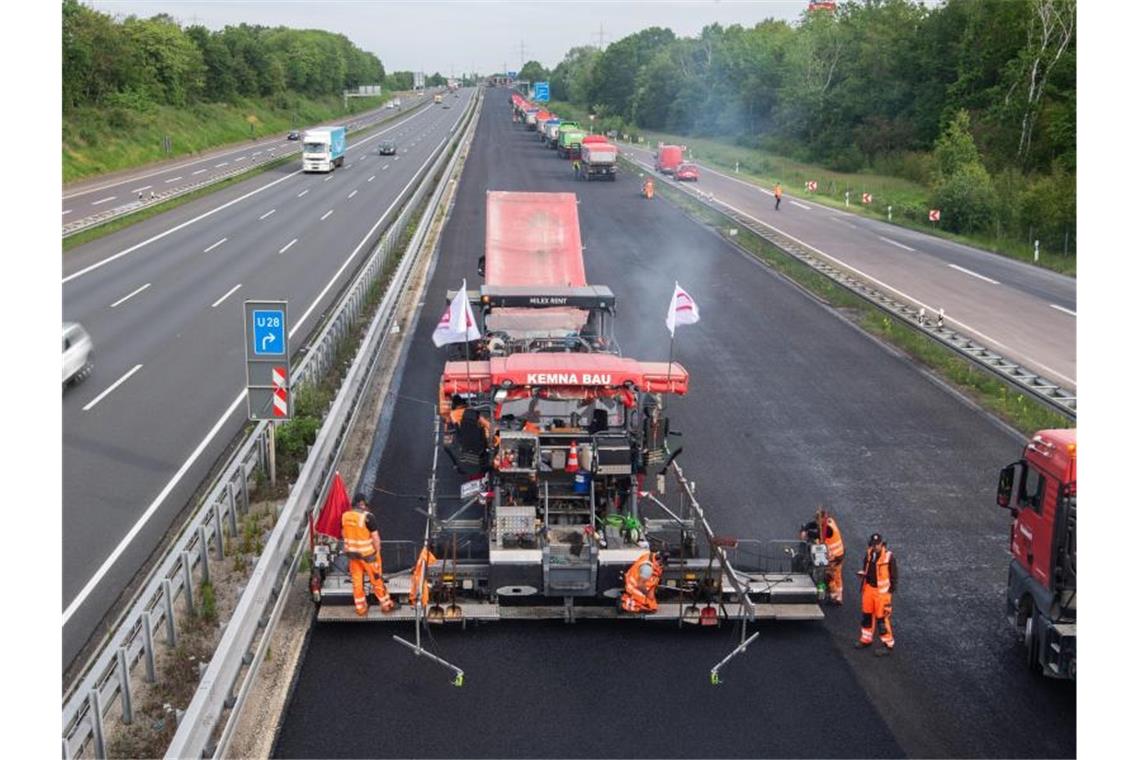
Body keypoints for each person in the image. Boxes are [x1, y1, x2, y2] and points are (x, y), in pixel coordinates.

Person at [341, 493, 395, 616]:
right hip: (368, 556)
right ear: (362, 504)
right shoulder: (368, 517)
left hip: (352, 555)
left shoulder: (345, 516)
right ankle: (386, 604)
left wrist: (348, 546)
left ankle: (360, 607)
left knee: (357, 582)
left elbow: (344, 533)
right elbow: (376, 537)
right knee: (376, 579)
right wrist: (377, 551)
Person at [856, 533, 897, 655]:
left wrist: (889, 596)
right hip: (869, 589)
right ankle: (866, 639)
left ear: (881, 544)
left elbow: (894, 577)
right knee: (867, 616)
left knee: (882, 620)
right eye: (873, 545)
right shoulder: (869, 553)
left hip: (882, 594)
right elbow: (866, 568)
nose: (875, 547)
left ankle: (888, 644)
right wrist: (862, 574)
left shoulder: (889, 557)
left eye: (877, 545)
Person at [801, 509, 845, 604]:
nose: (817, 523)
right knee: (836, 576)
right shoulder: (828, 521)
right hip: (837, 555)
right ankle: (838, 595)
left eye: (818, 520)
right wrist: (806, 528)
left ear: (822, 519)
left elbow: (818, 535)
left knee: (828, 576)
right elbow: (812, 524)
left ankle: (834, 595)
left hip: (834, 556)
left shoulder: (828, 529)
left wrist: (807, 533)